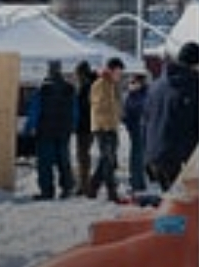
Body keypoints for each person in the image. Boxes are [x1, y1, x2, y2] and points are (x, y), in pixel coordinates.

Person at [144, 42, 199, 194]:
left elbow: (147, 118)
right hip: (177, 156)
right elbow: (194, 123)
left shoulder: (157, 85)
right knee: (181, 206)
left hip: (155, 151)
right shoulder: (192, 85)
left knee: (170, 200)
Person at [24, 60, 79, 200]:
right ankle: (67, 188)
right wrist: (72, 126)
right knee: (63, 160)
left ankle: (47, 191)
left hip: (45, 130)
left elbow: (34, 111)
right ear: (60, 70)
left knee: (45, 163)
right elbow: (75, 111)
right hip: (64, 130)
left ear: (48, 71)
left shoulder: (43, 89)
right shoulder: (69, 89)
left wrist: (29, 128)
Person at [87, 57, 124, 201]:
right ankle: (111, 191)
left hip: (112, 126)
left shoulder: (113, 85)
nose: (119, 75)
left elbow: (116, 105)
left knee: (107, 159)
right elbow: (98, 106)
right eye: (118, 72)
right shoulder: (100, 84)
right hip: (103, 127)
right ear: (111, 70)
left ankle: (93, 187)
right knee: (108, 159)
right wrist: (108, 122)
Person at [122, 71, 151, 198]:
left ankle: (138, 181)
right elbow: (126, 109)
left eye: (134, 82)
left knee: (138, 155)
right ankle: (136, 181)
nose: (131, 84)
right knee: (136, 155)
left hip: (141, 126)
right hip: (134, 127)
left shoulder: (144, 94)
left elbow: (142, 108)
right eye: (131, 82)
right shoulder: (132, 95)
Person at [72, 60, 96, 196]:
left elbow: (84, 107)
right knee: (83, 156)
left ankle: (84, 185)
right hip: (89, 124)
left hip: (85, 126)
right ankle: (84, 184)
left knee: (82, 156)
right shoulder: (92, 84)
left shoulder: (86, 87)